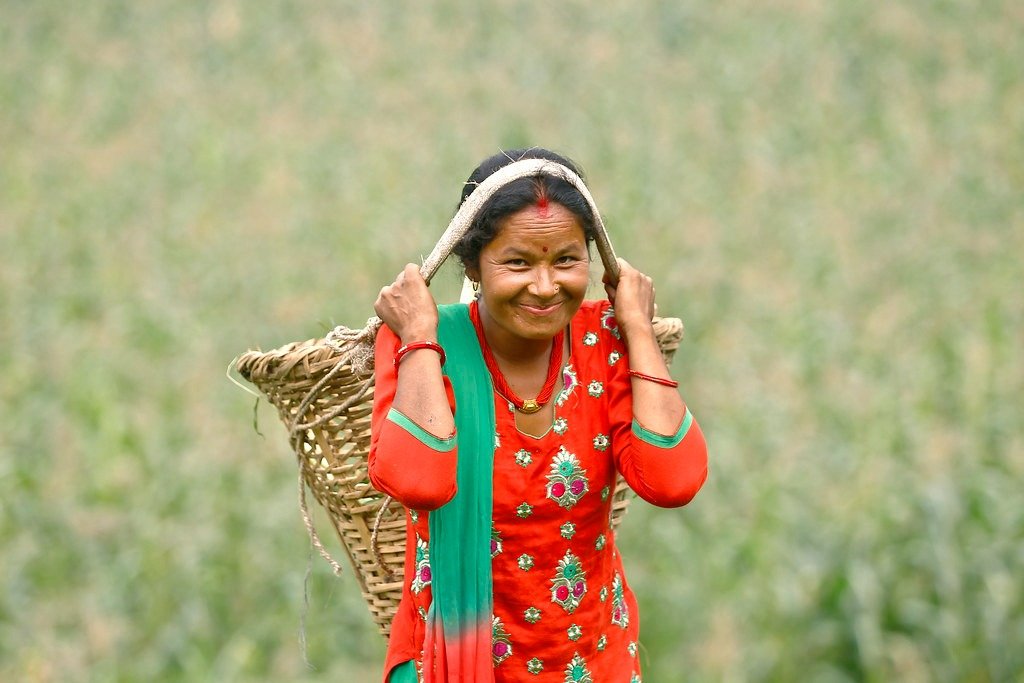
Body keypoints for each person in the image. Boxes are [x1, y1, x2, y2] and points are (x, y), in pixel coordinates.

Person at [368, 148, 708, 682]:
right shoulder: (426, 344)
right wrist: (415, 337)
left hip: (593, 661)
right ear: (473, 264)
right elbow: (421, 482)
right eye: (519, 262)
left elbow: (674, 480)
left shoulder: (605, 341)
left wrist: (638, 327)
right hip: (451, 662)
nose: (546, 287)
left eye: (567, 260)